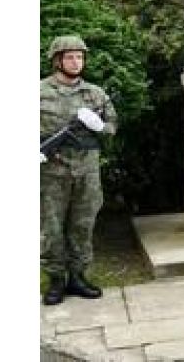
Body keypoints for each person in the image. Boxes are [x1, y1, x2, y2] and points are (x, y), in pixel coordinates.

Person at [40, 36, 118, 306]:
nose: (76, 62)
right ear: (57, 60)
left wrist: (100, 126)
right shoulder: (38, 92)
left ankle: (78, 277)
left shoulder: (95, 94)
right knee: (51, 228)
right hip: (51, 173)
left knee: (82, 225)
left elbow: (112, 129)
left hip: (87, 171)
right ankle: (56, 280)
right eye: (70, 57)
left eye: (80, 57)